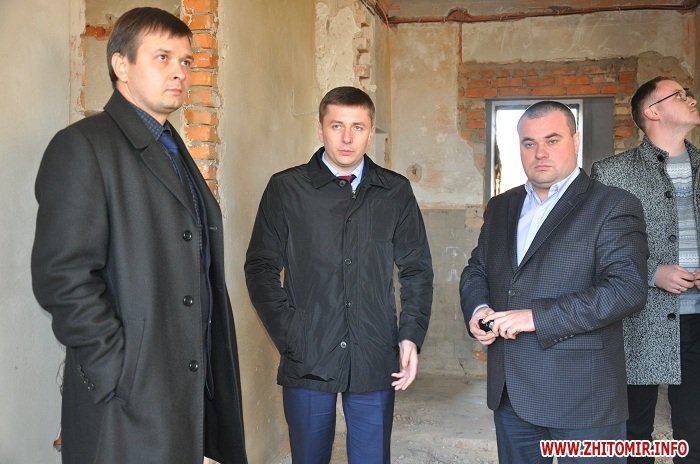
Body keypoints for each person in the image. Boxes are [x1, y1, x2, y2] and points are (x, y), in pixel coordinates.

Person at [31, 7, 247, 464]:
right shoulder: (83, 146)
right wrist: (118, 371)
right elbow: (63, 277)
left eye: (186, 61)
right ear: (121, 65)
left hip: (187, 393)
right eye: (162, 57)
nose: (179, 72)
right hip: (128, 401)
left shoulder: (171, 146)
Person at [244, 86, 433, 463]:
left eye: (357, 127)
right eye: (336, 126)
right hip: (308, 354)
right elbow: (261, 267)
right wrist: (291, 334)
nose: (347, 138)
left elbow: (416, 269)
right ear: (320, 129)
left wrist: (410, 336)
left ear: (370, 132)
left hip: (374, 351)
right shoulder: (286, 188)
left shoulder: (395, 191)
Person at [460, 100, 648, 463]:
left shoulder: (612, 204)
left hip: (583, 396)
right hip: (511, 395)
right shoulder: (501, 206)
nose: (540, 153)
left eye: (552, 140)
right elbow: (476, 270)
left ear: (575, 141)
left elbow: (626, 289)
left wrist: (535, 317)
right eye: (529, 143)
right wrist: (478, 308)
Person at [592, 77, 700, 463]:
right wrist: (653, 272)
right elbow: (597, 249)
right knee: (634, 432)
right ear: (653, 112)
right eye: (679, 95)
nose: (691, 99)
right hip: (638, 321)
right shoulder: (612, 173)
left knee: (695, 432)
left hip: (697, 320)